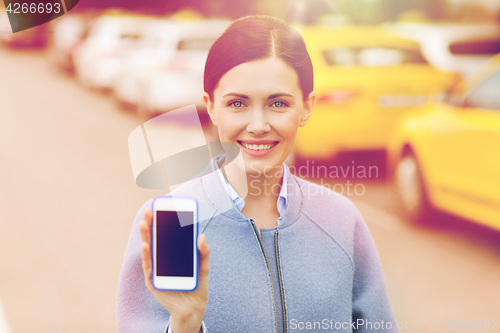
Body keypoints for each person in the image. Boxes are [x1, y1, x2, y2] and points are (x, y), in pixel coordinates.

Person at [117, 15, 398, 333]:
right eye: (238, 103)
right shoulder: (173, 224)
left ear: (307, 107)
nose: (258, 125)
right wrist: (185, 324)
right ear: (210, 107)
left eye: (278, 104)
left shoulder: (342, 221)